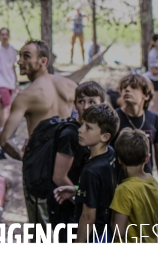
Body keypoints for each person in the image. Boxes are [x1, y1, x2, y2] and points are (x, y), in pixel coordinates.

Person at [0, 40, 76, 231]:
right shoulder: (70, 86)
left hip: (40, 171)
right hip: (68, 164)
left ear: (43, 61)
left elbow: (5, 140)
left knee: (41, 232)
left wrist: (24, 157)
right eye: (19, 56)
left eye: (26, 56)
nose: (19, 62)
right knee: (69, 227)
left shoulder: (26, 96)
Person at [54, 103, 119, 243]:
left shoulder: (91, 171)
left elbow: (88, 217)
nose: (80, 130)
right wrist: (77, 190)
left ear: (105, 137)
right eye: (82, 124)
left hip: (94, 237)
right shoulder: (111, 153)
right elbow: (101, 190)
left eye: (88, 127)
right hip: (106, 231)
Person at [48, 81, 105, 242]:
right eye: (81, 101)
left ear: (102, 104)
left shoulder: (96, 131)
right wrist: (84, 202)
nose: (86, 106)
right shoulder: (70, 135)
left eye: (92, 102)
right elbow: (59, 177)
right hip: (69, 210)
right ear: (74, 104)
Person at [112, 74, 158, 206]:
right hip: (118, 185)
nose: (127, 90)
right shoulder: (113, 118)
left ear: (146, 95)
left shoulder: (154, 119)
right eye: (124, 87)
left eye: (133, 88)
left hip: (144, 184)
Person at [110, 128, 158, 243]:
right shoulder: (153, 183)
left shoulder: (124, 190)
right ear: (147, 158)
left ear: (119, 159)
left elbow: (118, 231)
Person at [0, 27, 19, 135]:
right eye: (2, 34)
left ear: (9, 36)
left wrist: (16, 83)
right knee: (8, 106)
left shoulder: (12, 50)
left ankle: (1, 128)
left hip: (10, 81)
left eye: (6, 34)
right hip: (0, 82)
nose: (4, 37)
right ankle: (8, 132)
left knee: (2, 104)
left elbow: (13, 67)